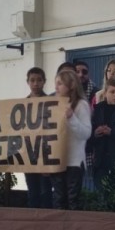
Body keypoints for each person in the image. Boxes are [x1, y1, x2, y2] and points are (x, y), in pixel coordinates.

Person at [50, 70, 91, 210]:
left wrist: (71, 117)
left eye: (60, 83)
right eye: (56, 83)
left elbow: (86, 133)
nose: (56, 87)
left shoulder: (81, 105)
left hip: (74, 162)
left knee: (73, 200)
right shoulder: (54, 104)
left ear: (72, 85)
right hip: (57, 160)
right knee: (58, 199)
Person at [24, 67, 53, 208]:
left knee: (46, 191)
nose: (36, 84)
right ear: (28, 82)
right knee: (32, 192)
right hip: (29, 155)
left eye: (39, 80)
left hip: (46, 153)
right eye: (32, 80)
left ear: (44, 82)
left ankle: (47, 224)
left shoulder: (51, 103)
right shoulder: (22, 104)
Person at [74, 60, 100, 192]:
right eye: (77, 71)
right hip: (73, 149)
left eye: (84, 72)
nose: (80, 74)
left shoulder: (98, 94)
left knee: (96, 185)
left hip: (92, 148)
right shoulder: (66, 95)